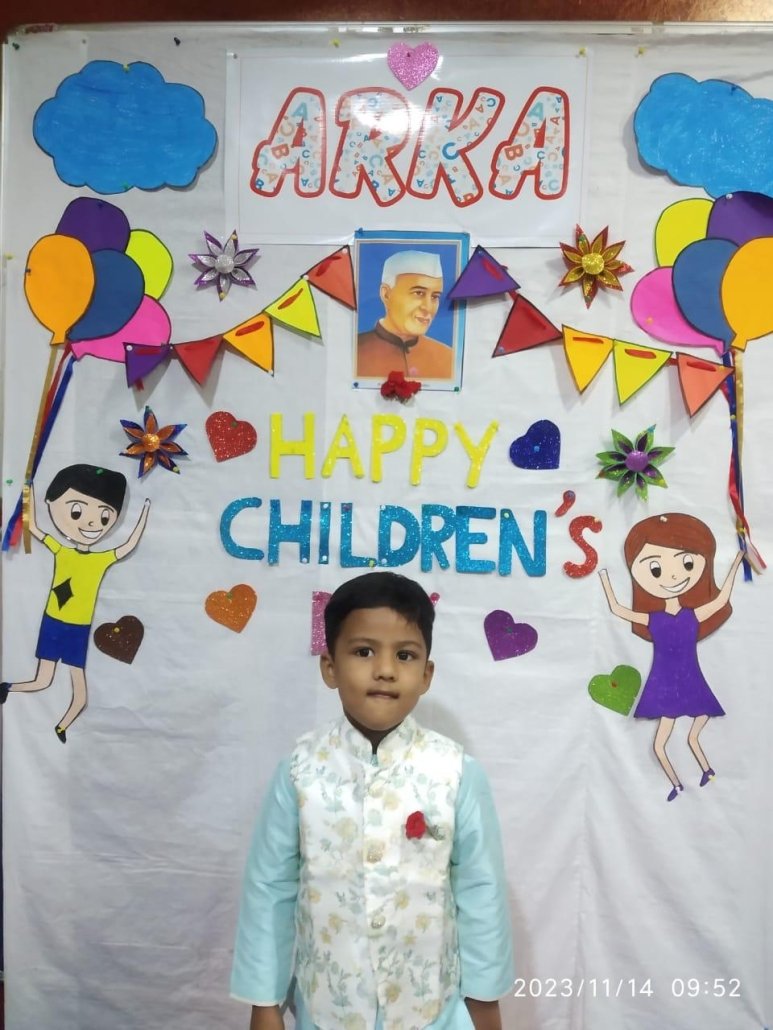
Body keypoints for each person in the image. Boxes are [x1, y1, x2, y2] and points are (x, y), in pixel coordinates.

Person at [231, 571, 513, 1030]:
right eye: (364, 651)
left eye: (405, 655)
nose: (385, 669)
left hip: (433, 1011)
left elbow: (482, 891)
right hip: (327, 1008)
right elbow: (270, 889)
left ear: (426, 674)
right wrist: (264, 1002)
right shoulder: (299, 772)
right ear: (330, 667)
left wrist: (484, 999)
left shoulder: (456, 772)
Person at [0, 464, 150, 742]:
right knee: (43, 680)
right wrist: (28, 490)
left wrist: (144, 513)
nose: (92, 524)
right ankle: (7, 688)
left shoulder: (101, 559)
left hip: (78, 628)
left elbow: (128, 546)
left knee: (79, 691)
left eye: (104, 517)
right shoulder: (62, 551)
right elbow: (34, 527)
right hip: (53, 622)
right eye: (77, 512)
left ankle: (61, 726)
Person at [599, 513, 743, 802]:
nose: (674, 577)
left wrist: (736, 563)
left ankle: (705, 772)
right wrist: (604, 578)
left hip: (685, 681)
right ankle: (679, 783)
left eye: (686, 564)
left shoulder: (691, 615)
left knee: (689, 736)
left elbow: (721, 600)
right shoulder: (654, 618)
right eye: (655, 569)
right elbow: (617, 609)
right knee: (661, 744)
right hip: (666, 684)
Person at [357, 251, 455, 380]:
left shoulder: (448, 358)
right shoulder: (353, 352)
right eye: (418, 293)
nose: (428, 307)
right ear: (386, 294)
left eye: (435, 296)